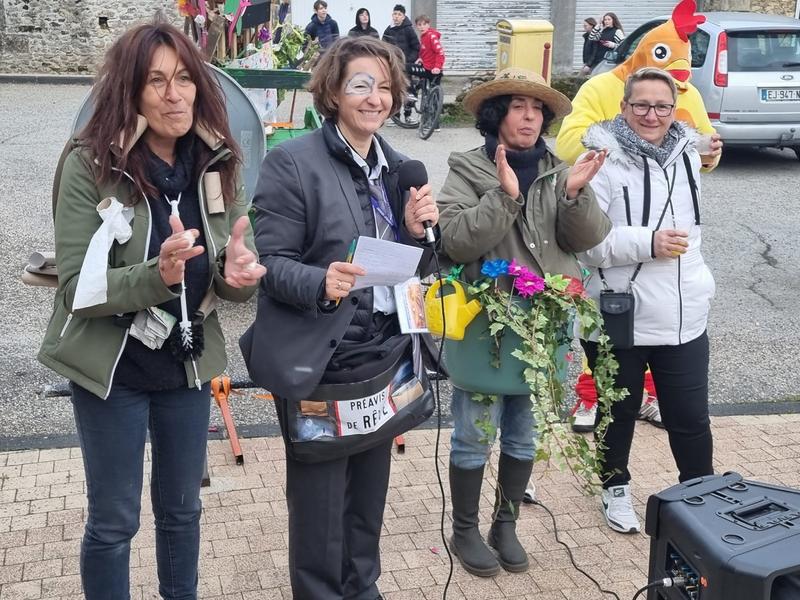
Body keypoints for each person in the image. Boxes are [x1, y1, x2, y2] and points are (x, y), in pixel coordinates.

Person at [37, 21, 264, 600]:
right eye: (157, 81)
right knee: (115, 521)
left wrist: (237, 277)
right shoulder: (90, 166)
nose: (175, 94)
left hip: (185, 365)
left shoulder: (216, 162)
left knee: (183, 511)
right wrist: (157, 276)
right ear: (131, 93)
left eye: (184, 78)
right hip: (113, 370)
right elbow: (75, 290)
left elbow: (227, 275)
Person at [240, 36, 439, 600]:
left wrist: (420, 233)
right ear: (332, 91)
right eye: (360, 85)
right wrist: (320, 282)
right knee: (320, 509)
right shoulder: (292, 164)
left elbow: (414, 264)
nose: (375, 98)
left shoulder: (397, 167)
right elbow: (267, 262)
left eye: (384, 86)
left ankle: (363, 588)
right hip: (321, 358)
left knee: (367, 498)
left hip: (381, 353)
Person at [436, 67, 612, 577]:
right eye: (518, 107)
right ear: (496, 116)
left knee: (523, 433)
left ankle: (505, 523)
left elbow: (586, 240)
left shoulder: (561, 170)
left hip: (549, 323)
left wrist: (576, 197)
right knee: (474, 432)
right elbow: (455, 242)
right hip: (488, 324)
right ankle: (465, 529)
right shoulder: (468, 169)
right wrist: (506, 197)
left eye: (539, 110)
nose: (531, 117)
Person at [578, 67, 718, 534]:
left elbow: (692, 233)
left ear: (674, 109)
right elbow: (585, 244)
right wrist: (648, 243)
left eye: (661, 106)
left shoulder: (687, 157)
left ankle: (700, 495)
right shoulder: (600, 160)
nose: (651, 115)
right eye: (641, 105)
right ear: (623, 108)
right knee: (617, 412)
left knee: (691, 418)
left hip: (684, 314)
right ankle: (614, 487)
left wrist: (700, 282)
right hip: (620, 312)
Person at [382, 4, 419, 68]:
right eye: (395, 14)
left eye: (399, 14)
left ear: (403, 17)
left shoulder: (409, 29)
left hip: (406, 65)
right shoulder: (388, 30)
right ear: (392, 15)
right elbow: (383, 46)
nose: (396, 16)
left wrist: (408, 61)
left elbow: (416, 47)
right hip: (392, 64)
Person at [414, 14, 445, 83]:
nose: (422, 27)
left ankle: (411, 92)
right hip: (426, 66)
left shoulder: (432, 36)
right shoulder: (423, 36)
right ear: (417, 26)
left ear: (428, 25)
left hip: (433, 70)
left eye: (424, 24)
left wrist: (437, 67)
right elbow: (425, 51)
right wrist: (420, 58)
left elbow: (440, 53)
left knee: (407, 68)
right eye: (419, 25)